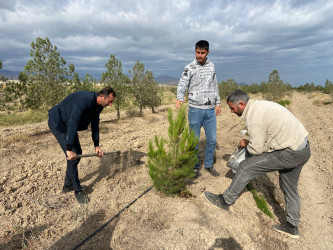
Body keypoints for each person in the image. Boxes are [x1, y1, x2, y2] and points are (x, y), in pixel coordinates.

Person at [204, 90, 311, 239]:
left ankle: (225, 200)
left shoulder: (254, 116)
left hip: (289, 152)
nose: (231, 111)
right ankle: (292, 227)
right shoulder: (259, 106)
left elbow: (256, 149)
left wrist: (246, 143)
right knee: (289, 186)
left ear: (241, 104)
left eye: (232, 108)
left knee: (245, 167)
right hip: (302, 149)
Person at [48, 87, 116, 204]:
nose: (110, 105)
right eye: (109, 101)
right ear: (101, 97)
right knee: (73, 156)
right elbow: (73, 122)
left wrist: (96, 145)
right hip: (59, 123)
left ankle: (68, 184)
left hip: (67, 123)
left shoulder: (99, 106)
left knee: (77, 153)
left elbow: (95, 124)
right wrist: (68, 148)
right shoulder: (84, 100)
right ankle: (77, 191)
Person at [175, 40, 221, 176]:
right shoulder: (189, 67)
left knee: (212, 140)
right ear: (195, 51)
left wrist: (217, 103)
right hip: (195, 109)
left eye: (202, 53)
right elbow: (182, 83)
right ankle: (194, 167)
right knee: (194, 141)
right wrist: (180, 98)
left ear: (208, 52)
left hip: (210, 110)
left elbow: (215, 85)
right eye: (197, 52)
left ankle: (208, 165)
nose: (199, 55)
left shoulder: (212, 66)